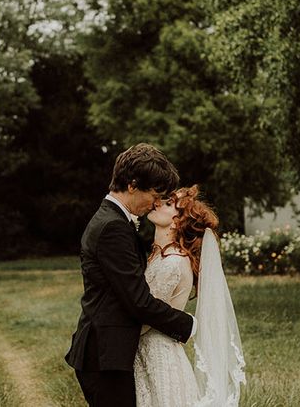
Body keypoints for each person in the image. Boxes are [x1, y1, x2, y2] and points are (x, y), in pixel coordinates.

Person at [65, 143, 195, 407]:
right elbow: (137, 300)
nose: (157, 202)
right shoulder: (113, 226)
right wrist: (188, 324)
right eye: (155, 194)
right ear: (133, 185)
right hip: (104, 356)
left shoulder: (114, 220)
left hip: (107, 353)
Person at [135, 185, 245, 407]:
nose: (157, 202)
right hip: (149, 356)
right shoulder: (159, 256)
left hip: (158, 359)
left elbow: (143, 316)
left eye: (167, 203)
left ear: (177, 221)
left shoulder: (173, 262)